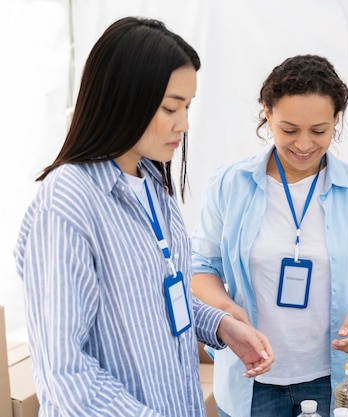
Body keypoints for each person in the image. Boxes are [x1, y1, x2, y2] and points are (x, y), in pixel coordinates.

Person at [13, 17, 274, 416]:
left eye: (187, 107)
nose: (184, 124)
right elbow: (64, 371)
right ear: (124, 97)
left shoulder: (151, 181)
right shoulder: (67, 201)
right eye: (171, 107)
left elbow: (155, 295)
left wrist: (219, 326)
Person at [190, 54, 348, 417]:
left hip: (333, 379)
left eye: (319, 131)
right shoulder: (230, 183)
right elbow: (202, 266)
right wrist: (226, 309)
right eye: (289, 129)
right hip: (250, 376)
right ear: (266, 113)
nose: (303, 144)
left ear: (336, 122)